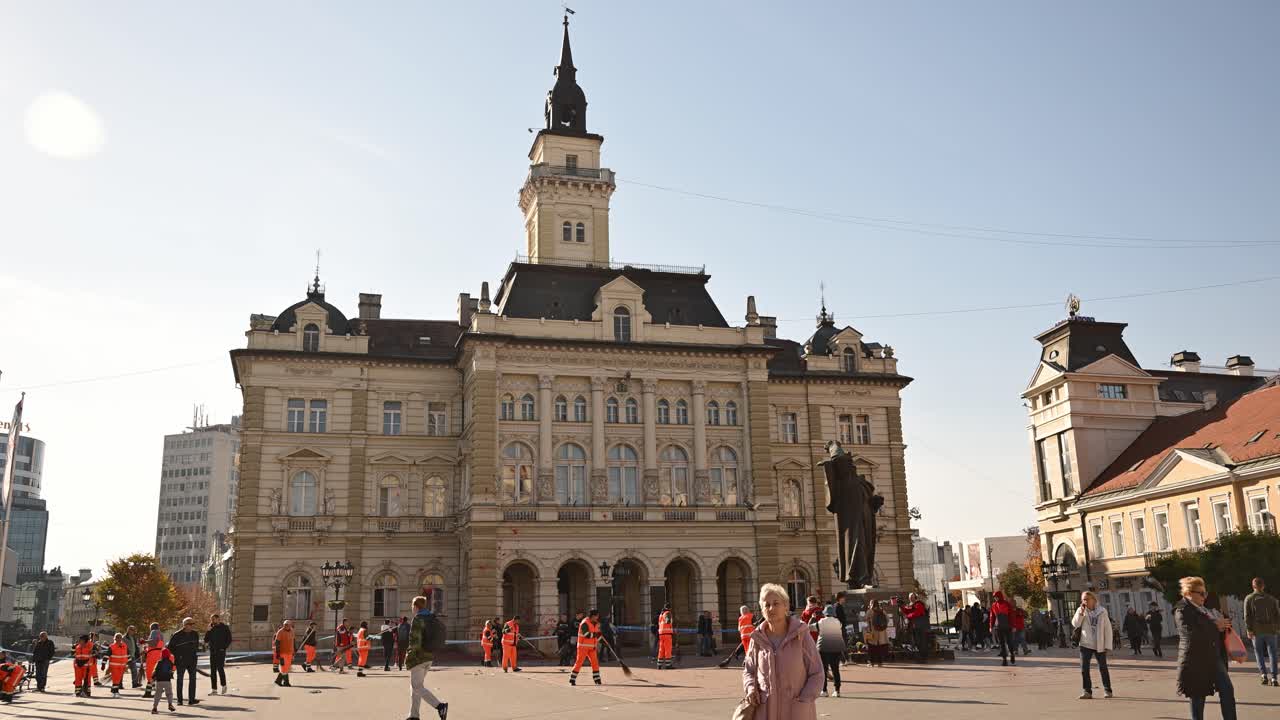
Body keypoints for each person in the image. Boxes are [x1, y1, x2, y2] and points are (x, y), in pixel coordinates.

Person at [742, 583, 822, 720]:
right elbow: (749, 670)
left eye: (776, 603)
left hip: (796, 712)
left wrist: (804, 701)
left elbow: (817, 673)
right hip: (764, 712)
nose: (771, 608)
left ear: (786, 606)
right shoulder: (758, 638)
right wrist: (750, 689)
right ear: (762, 610)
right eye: (766, 605)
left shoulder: (801, 635)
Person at [1176, 576, 1237, 720]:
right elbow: (1191, 634)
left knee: (1227, 689)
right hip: (1195, 660)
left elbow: (1214, 632)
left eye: (1205, 593)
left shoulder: (1205, 609)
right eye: (1201, 593)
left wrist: (1225, 626)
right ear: (1188, 593)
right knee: (1198, 697)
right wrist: (1216, 625)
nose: (1205, 596)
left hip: (1213, 657)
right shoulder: (1182, 610)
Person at [406, 595, 448, 720]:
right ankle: (414, 715)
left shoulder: (418, 619)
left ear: (416, 606)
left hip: (419, 657)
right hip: (429, 656)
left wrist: (409, 656)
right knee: (416, 686)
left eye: (412, 606)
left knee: (417, 687)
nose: (412, 609)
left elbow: (415, 642)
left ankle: (440, 706)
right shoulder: (431, 618)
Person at [1072, 590, 1114, 699]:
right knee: (1084, 669)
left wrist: (1108, 645)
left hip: (1099, 643)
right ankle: (1087, 691)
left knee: (1103, 667)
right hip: (1085, 644)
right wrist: (1080, 614)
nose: (1084, 601)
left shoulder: (1102, 611)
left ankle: (1107, 690)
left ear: (1093, 599)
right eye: (1083, 600)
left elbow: (1107, 629)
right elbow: (1075, 624)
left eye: (1086, 599)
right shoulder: (1080, 610)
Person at [1244, 576, 1279, 686]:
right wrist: (1277, 628)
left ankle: (1263, 675)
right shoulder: (1271, 599)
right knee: (1273, 654)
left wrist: (1249, 629)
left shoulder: (1249, 598)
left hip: (1256, 631)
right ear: (1263, 586)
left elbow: (1247, 615)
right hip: (1271, 630)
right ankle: (1274, 678)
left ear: (1253, 586)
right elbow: (1277, 615)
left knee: (1258, 653)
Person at [168, 617, 201, 706]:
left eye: (192, 624)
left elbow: (196, 646)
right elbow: (170, 648)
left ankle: (191, 699)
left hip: (192, 660)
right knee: (180, 680)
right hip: (181, 660)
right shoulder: (177, 635)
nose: (191, 626)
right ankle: (180, 700)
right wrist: (178, 655)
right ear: (185, 625)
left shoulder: (195, 634)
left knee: (193, 679)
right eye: (189, 624)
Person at [570, 608, 603, 686]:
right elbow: (586, 635)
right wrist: (596, 635)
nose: (597, 617)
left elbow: (598, 633)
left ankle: (597, 679)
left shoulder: (597, 623)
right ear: (592, 616)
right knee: (579, 662)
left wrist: (601, 639)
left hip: (592, 647)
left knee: (595, 662)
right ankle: (572, 679)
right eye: (596, 616)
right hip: (583, 647)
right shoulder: (584, 623)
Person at [816, 603, 844, 698]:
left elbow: (810, 627)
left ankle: (824, 690)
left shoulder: (821, 622)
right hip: (836, 648)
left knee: (823, 669)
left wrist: (812, 618)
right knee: (835, 669)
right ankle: (837, 690)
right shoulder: (838, 622)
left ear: (825, 613)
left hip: (823, 648)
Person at [205, 612, 231, 694]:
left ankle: (224, 686)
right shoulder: (211, 628)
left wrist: (223, 648)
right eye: (211, 619)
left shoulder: (225, 627)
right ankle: (214, 689)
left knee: (220, 669)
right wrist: (208, 631)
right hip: (212, 651)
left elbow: (229, 639)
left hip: (221, 651)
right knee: (213, 671)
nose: (212, 621)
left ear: (218, 619)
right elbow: (206, 640)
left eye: (213, 619)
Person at [988, 591, 1016, 666]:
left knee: (1009, 642)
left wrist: (1013, 626)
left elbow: (1011, 616)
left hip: (1008, 626)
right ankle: (1004, 659)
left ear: (1000, 596)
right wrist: (991, 626)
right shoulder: (994, 605)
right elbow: (992, 617)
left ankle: (1012, 653)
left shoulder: (1007, 604)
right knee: (1001, 644)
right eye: (994, 597)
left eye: (996, 597)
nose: (995, 598)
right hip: (998, 627)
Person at [902, 592, 930, 663]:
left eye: (912, 597)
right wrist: (902, 607)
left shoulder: (919, 604)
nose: (911, 598)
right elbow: (907, 611)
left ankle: (923, 657)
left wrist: (908, 616)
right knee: (916, 642)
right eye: (910, 597)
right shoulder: (912, 605)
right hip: (915, 626)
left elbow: (917, 613)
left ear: (915, 597)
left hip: (920, 627)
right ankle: (920, 657)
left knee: (921, 642)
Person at [151, 645, 176, 714]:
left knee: (158, 694)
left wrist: (152, 678)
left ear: (161, 655)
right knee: (169, 693)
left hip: (159, 681)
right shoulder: (170, 663)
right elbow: (172, 671)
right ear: (168, 655)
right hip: (167, 681)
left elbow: (155, 671)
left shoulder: (159, 662)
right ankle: (170, 704)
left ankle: (154, 708)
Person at [142, 626, 166, 698]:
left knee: (150, 674)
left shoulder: (154, 632)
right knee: (155, 674)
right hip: (159, 656)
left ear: (151, 628)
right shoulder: (161, 634)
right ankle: (150, 691)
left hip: (152, 656)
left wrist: (144, 641)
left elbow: (153, 642)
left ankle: (148, 693)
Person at [867, 599, 890, 667]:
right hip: (881, 632)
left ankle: (871, 662)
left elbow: (865, 619)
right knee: (879, 648)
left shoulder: (870, 611)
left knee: (871, 647)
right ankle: (880, 662)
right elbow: (887, 619)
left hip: (873, 632)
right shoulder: (882, 611)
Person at [274, 619, 296, 687]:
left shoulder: (292, 631)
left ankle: (278, 680)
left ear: (290, 625)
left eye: (288, 625)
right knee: (284, 667)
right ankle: (286, 682)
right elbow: (277, 643)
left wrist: (295, 649)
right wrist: (278, 653)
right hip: (282, 652)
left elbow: (293, 640)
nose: (286, 626)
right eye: (285, 625)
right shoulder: (280, 632)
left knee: (287, 668)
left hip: (290, 652)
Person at [74, 633, 95, 697]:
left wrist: (93, 652)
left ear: (85, 640)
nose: (79, 641)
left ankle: (87, 692)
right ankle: (78, 692)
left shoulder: (90, 646)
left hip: (87, 666)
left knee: (87, 679)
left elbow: (95, 653)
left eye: (81, 640)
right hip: (78, 665)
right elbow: (74, 654)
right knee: (78, 679)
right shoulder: (77, 646)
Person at [657, 604, 675, 670]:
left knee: (661, 649)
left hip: (661, 634)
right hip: (667, 634)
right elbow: (668, 621)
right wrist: (669, 620)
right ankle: (668, 665)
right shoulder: (668, 613)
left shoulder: (661, 615)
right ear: (669, 608)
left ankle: (659, 664)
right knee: (668, 649)